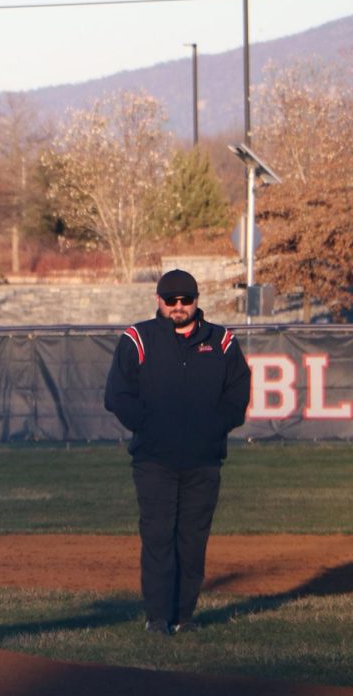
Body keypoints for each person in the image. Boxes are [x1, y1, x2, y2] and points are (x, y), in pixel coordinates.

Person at [104, 269, 251, 636]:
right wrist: (148, 426)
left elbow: (238, 393)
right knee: (157, 537)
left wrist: (215, 427)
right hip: (154, 460)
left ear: (197, 301)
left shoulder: (222, 341)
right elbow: (117, 395)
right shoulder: (138, 338)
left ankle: (184, 617)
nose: (179, 307)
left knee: (192, 540)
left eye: (186, 300)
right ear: (159, 301)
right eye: (172, 301)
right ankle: (157, 618)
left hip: (204, 460)